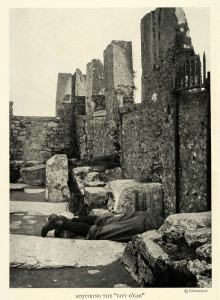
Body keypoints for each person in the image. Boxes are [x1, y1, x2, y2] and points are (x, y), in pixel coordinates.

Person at [41, 211, 165, 242]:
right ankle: (60, 223)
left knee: (102, 221)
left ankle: (67, 220)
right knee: (100, 232)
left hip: (149, 216)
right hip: (147, 225)